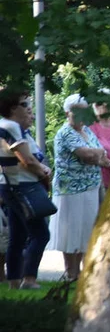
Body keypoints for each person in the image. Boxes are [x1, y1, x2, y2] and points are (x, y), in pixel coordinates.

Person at [47, 95, 110, 281]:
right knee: (71, 232)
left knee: (86, 230)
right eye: (78, 109)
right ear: (68, 112)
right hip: (71, 190)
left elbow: (99, 156)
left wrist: (108, 161)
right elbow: (86, 155)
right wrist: (98, 154)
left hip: (91, 187)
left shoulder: (86, 130)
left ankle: (85, 273)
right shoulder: (66, 132)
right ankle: (71, 272)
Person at [0, 88, 52, 289]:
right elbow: (27, 159)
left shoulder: (4, 125)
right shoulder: (11, 126)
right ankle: (29, 279)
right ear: (13, 108)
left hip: (9, 186)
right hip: (21, 186)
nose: (29, 108)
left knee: (18, 235)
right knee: (40, 234)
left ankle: (14, 281)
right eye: (25, 104)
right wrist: (43, 174)